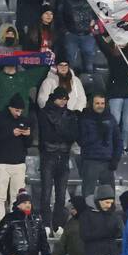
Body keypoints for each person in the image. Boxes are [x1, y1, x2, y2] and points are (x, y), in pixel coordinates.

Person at [38, 87, 79, 230]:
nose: (63, 101)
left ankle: (58, 225)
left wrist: (61, 134)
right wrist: (64, 134)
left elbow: (73, 135)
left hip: (64, 157)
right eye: (61, 98)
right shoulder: (44, 114)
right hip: (48, 156)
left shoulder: (71, 115)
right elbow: (46, 136)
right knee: (46, 193)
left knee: (61, 196)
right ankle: (45, 224)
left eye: (65, 99)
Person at [0, 95, 34, 223]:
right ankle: (1, 225)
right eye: (16, 110)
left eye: (21, 111)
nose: (18, 113)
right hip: (1, 163)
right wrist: (10, 133)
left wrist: (28, 136)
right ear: (10, 108)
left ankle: (16, 225)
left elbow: (28, 144)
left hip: (19, 163)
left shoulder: (25, 121)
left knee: (17, 198)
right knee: (0, 198)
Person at [56, 0, 99, 72]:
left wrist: (94, 19)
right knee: (71, 63)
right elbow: (59, 14)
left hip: (88, 33)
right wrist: (65, 31)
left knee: (89, 62)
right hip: (71, 34)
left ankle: (88, 84)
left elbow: (97, 8)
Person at [101, 37, 128, 151]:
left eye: (124, 40)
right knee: (114, 122)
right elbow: (101, 43)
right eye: (119, 40)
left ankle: (123, 148)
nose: (122, 43)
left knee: (127, 124)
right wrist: (96, 31)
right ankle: (112, 147)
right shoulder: (111, 54)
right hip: (115, 94)